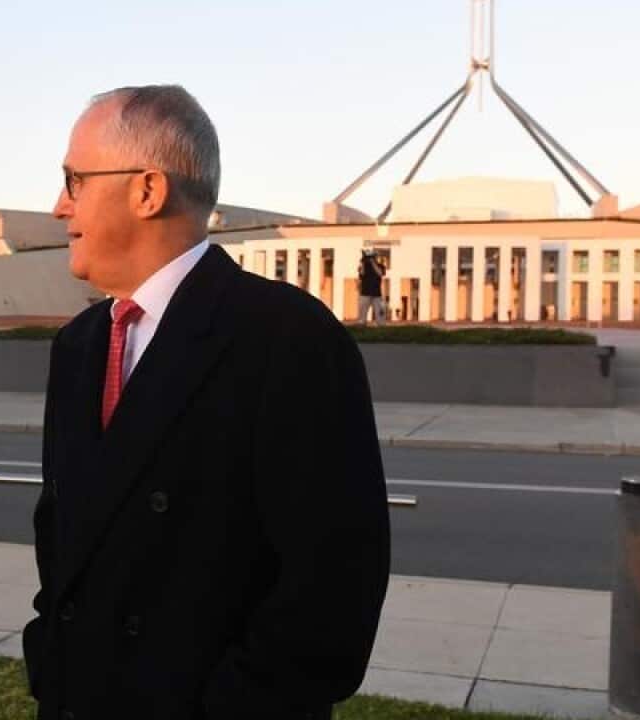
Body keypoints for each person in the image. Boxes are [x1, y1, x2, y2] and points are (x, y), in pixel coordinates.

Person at [24, 85, 390, 720]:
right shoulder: (78, 346)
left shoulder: (289, 339)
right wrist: (49, 663)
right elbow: (61, 542)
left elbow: (333, 586)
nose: (59, 206)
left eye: (73, 179)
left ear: (147, 190)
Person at [357, 249, 387, 325]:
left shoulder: (381, 266)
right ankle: (362, 324)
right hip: (365, 293)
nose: (372, 258)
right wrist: (363, 262)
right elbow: (362, 274)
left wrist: (373, 263)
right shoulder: (363, 266)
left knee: (380, 314)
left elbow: (380, 273)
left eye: (373, 257)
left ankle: (380, 325)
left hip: (377, 294)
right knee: (362, 316)